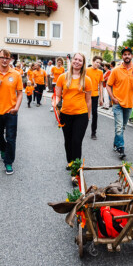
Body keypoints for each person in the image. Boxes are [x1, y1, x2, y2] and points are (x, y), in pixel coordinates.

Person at [53, 53, 92, 186]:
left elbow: (88, 101)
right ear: (72, 61)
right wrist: (55, 103)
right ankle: (70, 162)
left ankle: (76, 173)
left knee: (76, 141)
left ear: (83, 63)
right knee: (68, 141)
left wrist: (88, 117)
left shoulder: (86, 79)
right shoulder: (62, 77)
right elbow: (57, 96)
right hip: (65, 114)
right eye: (75, 59)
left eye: (80, 60)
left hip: (81, 114)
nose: (77, 62)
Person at [0, 49, 23, 175]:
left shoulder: (16, 74)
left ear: (10, 59)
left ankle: (8, 162)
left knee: (11, 138)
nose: (5, 60)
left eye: (7, 58)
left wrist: (16, 107)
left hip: (11, 111)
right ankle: (4, 149)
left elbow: (20, 93)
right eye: (2, 57)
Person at [106, 46, 133, 159]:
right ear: (122, 56)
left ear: (131, 56)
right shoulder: (116, 70)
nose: (127, 56)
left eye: (128, 54)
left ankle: (116, 143)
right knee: (119, 127)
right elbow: (108, 85)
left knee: (123, 127)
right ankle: (121, 148)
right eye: (125, 54)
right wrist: (112, 98)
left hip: (129, 104)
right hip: (117, 103)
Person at [86, 55, 103, 139]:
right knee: (84, 113)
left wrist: (101, 98)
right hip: (86, 95)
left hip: (95, 95)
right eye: (97, 62)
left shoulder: (100, 72)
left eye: (100, 63)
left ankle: (93, 133)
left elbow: (100, 85)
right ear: (93, 62)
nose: (98, 64)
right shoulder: (86, 70)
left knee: (95, 114)